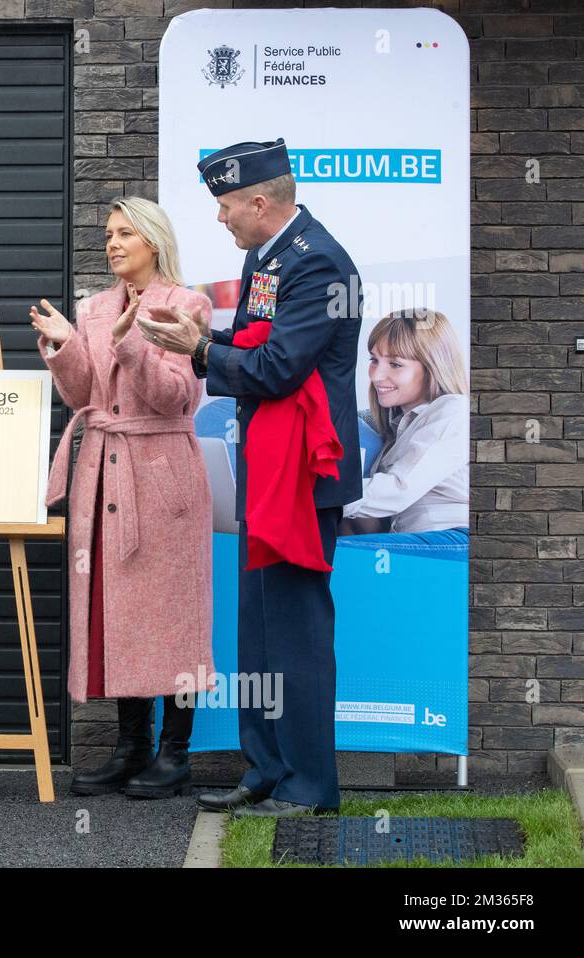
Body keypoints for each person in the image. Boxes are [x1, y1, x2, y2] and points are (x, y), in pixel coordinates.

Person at [141, 138, 362, 817]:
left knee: (295, 633)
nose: (220, 218)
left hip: (302, 473)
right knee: (260, 630)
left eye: (226, 205)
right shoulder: (266, 255)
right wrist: (204, 334)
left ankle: (309, 787)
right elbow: (254, 340)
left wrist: (201, 352)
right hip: (268, 468)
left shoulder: (318, 262)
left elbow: (279, 369)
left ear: (260, 202)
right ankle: (265, 768)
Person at [31, 197, 214, 800]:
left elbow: (173, 399)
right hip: (105, 475)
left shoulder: (186, 305)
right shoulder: (94, 307)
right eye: (108, 234)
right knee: (120, 611)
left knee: (173, 615)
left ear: (153, 242)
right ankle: (131, 747)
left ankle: (176, 752)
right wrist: (65, 346)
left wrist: (133, 344)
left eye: (124, 234)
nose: (111, 244)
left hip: (162, 478)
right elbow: (84, 394)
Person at [339, 308, 469, 541]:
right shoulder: (394, 432)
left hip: (450, 540)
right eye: (374, 360)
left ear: (432, 366)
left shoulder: (454, 410)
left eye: (395, 364)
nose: (377, 376)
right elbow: (374, 521)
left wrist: (321, 498)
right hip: (409, 540)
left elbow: (399, 488)